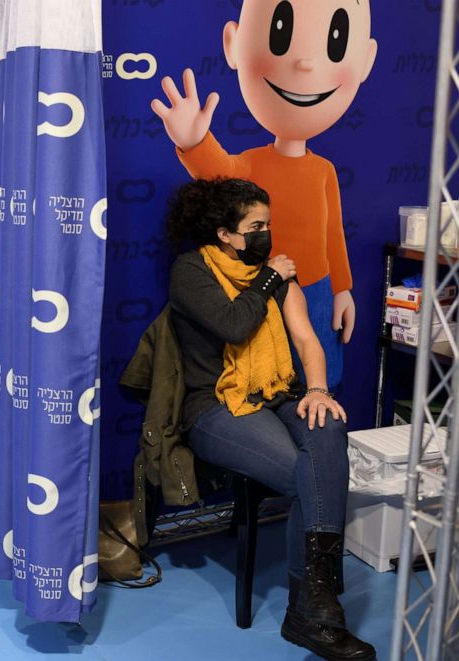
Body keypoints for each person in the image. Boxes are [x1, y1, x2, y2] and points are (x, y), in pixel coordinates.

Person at [166, 178, 374, 661]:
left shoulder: (281, 278)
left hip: (279, 392)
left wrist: (319, 390)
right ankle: (316, 612)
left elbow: (305, 341)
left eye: (269, 223)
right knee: (310, 475)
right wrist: (268, 279)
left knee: (328, 428)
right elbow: (234, 324)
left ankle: (311, 607)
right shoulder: (191, 270)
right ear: (225, 234)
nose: (266, 234)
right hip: (216, 405)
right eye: (256, 226)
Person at [153, 0, 379, 391]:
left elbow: (333, 234)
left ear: (366, 61)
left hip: (318, 288)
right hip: (263, 286)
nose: (307, 65)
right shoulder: (250, 164)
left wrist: (342, 288)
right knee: (269, 375)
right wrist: (194, 141)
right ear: (234, 44)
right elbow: (216, 172)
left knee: (319, 370)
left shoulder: (324, 170)